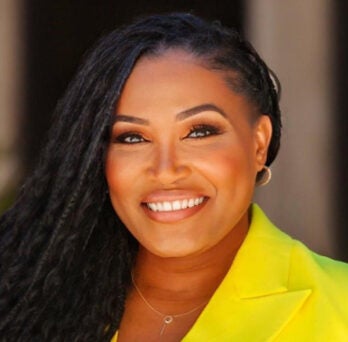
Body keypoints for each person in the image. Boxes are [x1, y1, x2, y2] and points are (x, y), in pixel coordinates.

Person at [1, 12, 348, 341]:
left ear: (259, 143)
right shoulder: (26, 301)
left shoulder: (339, 305)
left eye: (199, 132)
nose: (166, 170)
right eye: (132, 137)